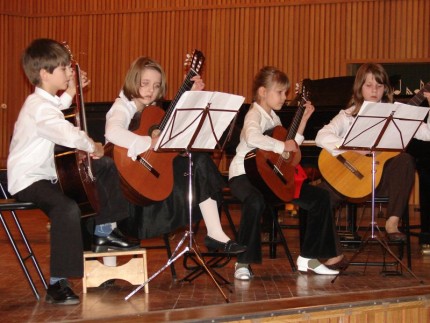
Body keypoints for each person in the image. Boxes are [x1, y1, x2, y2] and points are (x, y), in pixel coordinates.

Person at [7, 38, 139, 305]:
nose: (69, 72)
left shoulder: (44, 103)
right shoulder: (37, 108)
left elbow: (57, 109)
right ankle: (57, 284)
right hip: (29, 179)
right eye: (64, 68)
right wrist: (93, 145)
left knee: (103, 166)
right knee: (66, 208)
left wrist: (71, 92)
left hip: (47, 175)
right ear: (45, 74)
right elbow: (64, 131)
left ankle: (104, 230)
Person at [105, 56, 246, 254]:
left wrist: (193, 98)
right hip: (128, 194)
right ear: (132, 81)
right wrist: (149, 142)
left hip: (153, 182)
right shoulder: (122, 107)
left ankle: (215, 233)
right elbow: (112, 133)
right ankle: (107, 262)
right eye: (144, 84)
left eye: (156, 85)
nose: (150, 90)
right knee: (195, 164)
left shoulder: (152, 112)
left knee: (196, 161)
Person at [228, 66, 346, 281]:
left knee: (320, 198)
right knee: (254, 201)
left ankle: (308, 257)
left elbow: (289, 151)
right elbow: (253, 137)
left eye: (286, 92)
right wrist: (282, 146)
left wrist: (302, 122)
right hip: (244, 175)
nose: (285, 97)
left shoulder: (274, 119)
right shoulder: (254, 114)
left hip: (270, 178)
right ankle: (242, 262)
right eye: (280, 92)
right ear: (263, 92)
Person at [315, 63, 430, 242]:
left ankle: (392, 222)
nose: (374, 90)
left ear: (385, 89)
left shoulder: (398, 114)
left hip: (382, 181)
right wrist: (352, 147)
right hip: (352, 178)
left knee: (405, 159)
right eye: (369, 85)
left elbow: (428, 134)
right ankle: (328, 252)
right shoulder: (348, 115)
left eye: (379, 85)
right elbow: (321, 136)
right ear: (360, 88)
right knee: (318, 199)